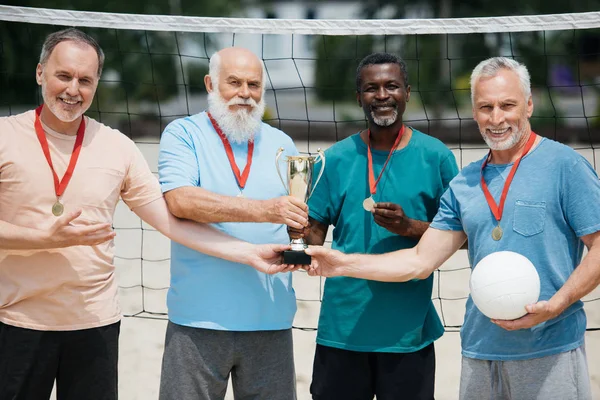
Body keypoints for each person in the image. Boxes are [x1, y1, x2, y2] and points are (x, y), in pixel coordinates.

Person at [0, 28, 293, 400]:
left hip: (96, 324)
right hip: (17, 321)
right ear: (41, 73)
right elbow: (183, 204)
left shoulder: (116, 146)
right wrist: (41, 239)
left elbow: (171, 222)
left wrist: (247, 253)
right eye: (64, 76)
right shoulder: (5, 135)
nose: (74, 89)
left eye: (85, 80)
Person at [307, 57, 600, 400]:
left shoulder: (565, 165)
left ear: (530, 105)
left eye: (507, 105)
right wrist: (338, 263)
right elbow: (418, 261)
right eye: (485, 107)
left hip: (549, 347)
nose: (496, 118)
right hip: (479, 350)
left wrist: (558, 303)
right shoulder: (466, 183)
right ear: (473, 112)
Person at [289, 52, 458, 400]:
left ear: (407, 92)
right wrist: (296, 232)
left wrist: (409, 227)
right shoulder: (334, 158)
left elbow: (462, 236)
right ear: (359, 98)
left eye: (391, 86)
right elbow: (314, 236)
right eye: (371, 88)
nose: (382, 95)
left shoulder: (436, 156)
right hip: (343, 328)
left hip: (407, 331)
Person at [157, 47, 308, 400]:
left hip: (269, 320)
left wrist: (304, 239)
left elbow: (298, 218)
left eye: (254, 85)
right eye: (234, 82)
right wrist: (266, 210)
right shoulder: (183, 134)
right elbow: (181, 201)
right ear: (211, 83)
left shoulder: (282, 144)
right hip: (197, 321)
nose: (245, 93)